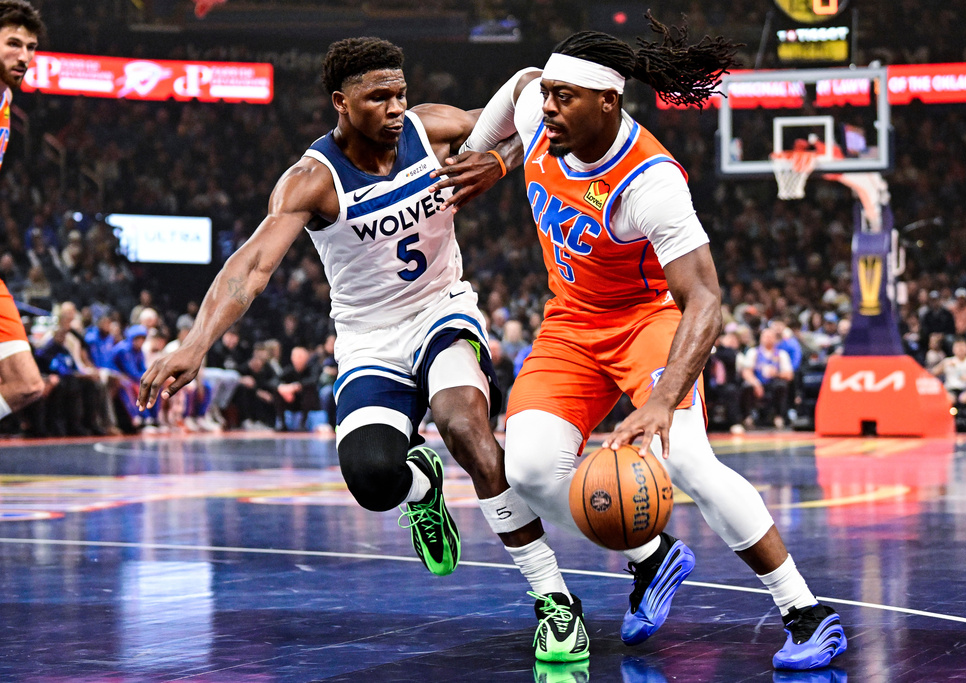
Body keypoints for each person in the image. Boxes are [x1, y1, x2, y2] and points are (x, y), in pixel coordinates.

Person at [436, 15, 845, 669]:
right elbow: (520, 85)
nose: (548, 106)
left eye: (565, 97)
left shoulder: (652, 181)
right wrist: (494, 155)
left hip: (646, 321)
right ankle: (652, 557)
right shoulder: (538, 107)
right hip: (571, 323)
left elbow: (705, 300)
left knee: (687, 461)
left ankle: (806, 611)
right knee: (529, 471)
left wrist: (661, 401)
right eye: (549, 95)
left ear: (607, 101)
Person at [137, 36, 561, 657]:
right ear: (341, 102)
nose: (395, 108)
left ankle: (552, 597)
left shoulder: (431, 127)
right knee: (371, 479)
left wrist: (502, 160)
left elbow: (532, 110)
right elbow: (250, 267)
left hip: (442, 311)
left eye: (400, 93)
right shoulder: (312, 180)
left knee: (465, 427)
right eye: (378, 97)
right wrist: (194, 343)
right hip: (368, 339)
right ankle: (420, 486)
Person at [0, 1, 44, 429]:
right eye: (13, 43)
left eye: (30, 47)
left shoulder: (7, 100)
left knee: (27, 384)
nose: (24, 56)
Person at [931, 336, 966, 436]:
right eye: (958, 347)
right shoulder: (947, 362)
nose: (960, 349)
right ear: (954, 349)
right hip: (951, 390)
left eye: (962, 347)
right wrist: (941, 365)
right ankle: (944, 425)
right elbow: (932, 373)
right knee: (945, 398)